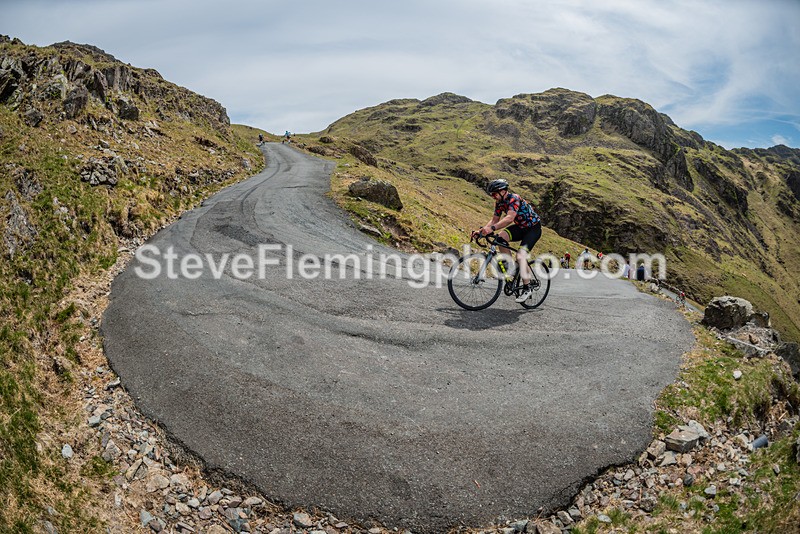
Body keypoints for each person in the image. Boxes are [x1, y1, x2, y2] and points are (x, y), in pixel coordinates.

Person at [478, 179, 542, 302]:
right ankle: (512, 269)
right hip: (520, 227)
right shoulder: (499, 203)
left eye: (494, 194)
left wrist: (491, 229)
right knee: (500, 238)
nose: (493, 196)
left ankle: (527, 287)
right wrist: (481, 231)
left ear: (503, 191)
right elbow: (494, 220)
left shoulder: (514, 198)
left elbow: (509, 218)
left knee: (520, 256)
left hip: (533, 229)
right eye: (492, 194)